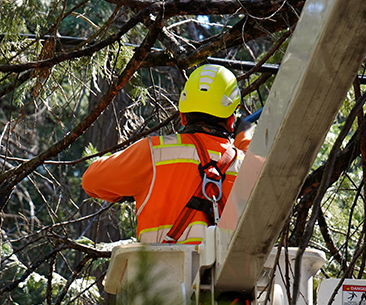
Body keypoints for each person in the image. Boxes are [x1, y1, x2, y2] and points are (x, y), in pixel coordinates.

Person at [82, 64, 250, 244]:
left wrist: (133, 187)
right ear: (231, 120)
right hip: (231, 272)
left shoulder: (154, 153)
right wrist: (246, 137)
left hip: (163, 270)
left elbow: (91, 180)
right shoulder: (247, 166)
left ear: (183, 116)